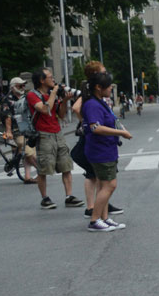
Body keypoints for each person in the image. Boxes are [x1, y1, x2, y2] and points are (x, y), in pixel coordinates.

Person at [26, 68, 83, 211]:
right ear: (42, 80)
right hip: (43, 134)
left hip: (58, 132)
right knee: (44, 168)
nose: (53, 79)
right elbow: (45, 109)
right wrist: (52, 94)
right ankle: (45, 198)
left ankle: (69, 196)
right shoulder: (33, 95)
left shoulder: (54, 94)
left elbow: (61, 115)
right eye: (50, 77)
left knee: (66, 166)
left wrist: (64, 101)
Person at [82, 71, 131, 231]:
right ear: (98, 87)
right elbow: (95, 127)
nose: (111, 88)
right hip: (100, 151)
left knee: (104, 185)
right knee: (110, 185)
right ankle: (94, 220)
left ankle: (104, 218)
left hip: (106, 149)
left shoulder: (99, 102)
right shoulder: (92, 105)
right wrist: (121, 133)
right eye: (109, 86)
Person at [0, 77, 37, 183]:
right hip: (16, 130)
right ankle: (41, 172)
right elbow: (7, 116)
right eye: (20, 85)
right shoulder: (8, 100)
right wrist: (8, 131)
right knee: (29, 153)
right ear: (13, 87)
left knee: (27, 153)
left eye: (23, 85)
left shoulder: (25, 97)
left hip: (28, 128)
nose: (22, 87)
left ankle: (27, 176)